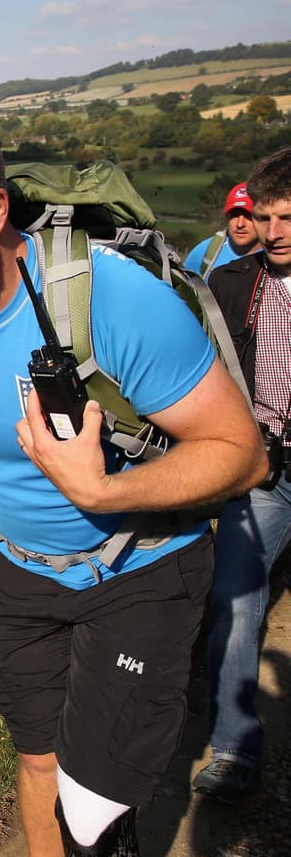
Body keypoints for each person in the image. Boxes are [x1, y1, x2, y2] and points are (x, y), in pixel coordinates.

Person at [0, 113, 266, 856]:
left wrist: (103, 492)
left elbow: (242, 454)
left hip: (141, 566)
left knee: (89, 810)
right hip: (15, 571)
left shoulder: (106, 300)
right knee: (41, 762)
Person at [193, 145, 291, 804]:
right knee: (233, 593)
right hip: (266, 469)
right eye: (265, 217)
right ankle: (232, 745)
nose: (274, 231)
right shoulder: (233, 285)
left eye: (288, 216)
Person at [182, 182, 261, 280]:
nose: (240, 224)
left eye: (249, 215)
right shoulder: (205, 252)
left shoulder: (276, 257)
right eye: (234, 215)